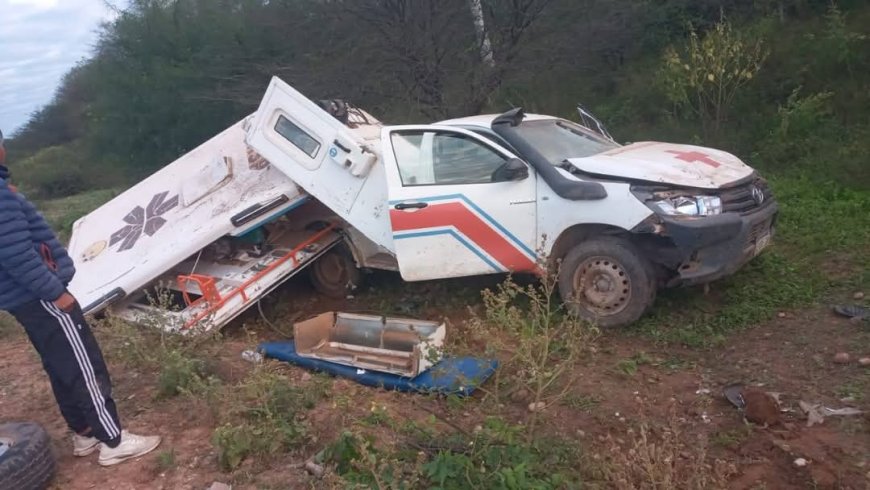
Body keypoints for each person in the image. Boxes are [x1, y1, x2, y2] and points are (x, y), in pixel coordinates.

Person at [0, 129, 161, 466]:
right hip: (42, 297)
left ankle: (84, 432)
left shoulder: (5, 193)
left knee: (60, 365)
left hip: (24, 300)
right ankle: (113, 441)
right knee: (82, 365)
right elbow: (16, 255)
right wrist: (55, 292)